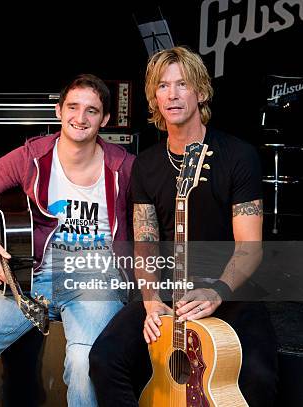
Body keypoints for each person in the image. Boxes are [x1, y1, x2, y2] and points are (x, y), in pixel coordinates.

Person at [88, 46, 278, 406]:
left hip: (230, 289)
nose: (172, 94)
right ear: (154, 98)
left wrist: (218, 290)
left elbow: (250, 246)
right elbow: (145, 244)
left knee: (258, 378)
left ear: (201, 92)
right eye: (162, 86)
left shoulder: (238, 156)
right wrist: (150, 301)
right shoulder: (145, 166)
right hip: (172, 291)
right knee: (104, 358)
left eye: (182, 84)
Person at [0, 74, 135, 406]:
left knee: (82, 363)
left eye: (92, 110)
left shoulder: (124, 166)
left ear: (104, 119)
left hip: (97, 279)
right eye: (73, 107)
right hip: (36, 278)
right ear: (59, 111)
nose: (80, 117)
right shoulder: (32, 157)